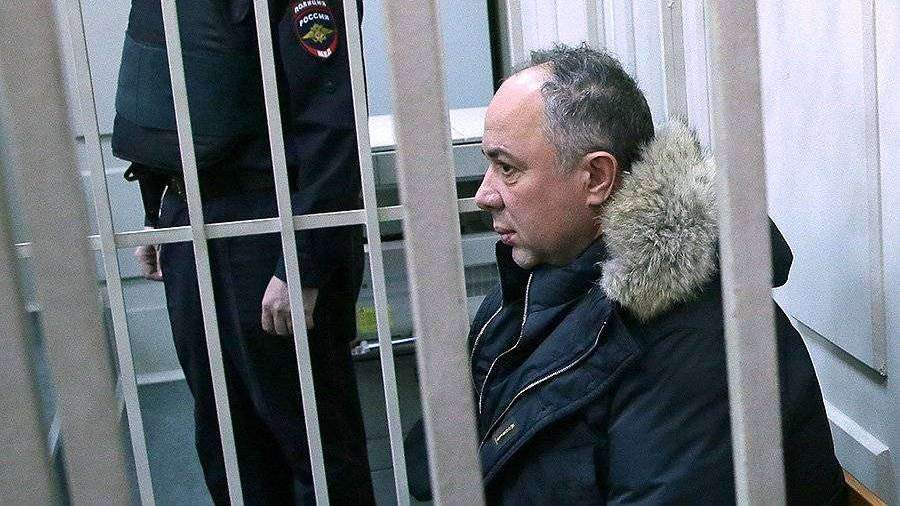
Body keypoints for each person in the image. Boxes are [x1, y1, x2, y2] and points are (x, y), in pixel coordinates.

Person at [407, 44, 846, 504]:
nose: (484, 194)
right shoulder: (542, 275)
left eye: (507, 168)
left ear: (597, 178)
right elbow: (433, 462)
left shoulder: (694, 338)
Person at [112, 0, 375, 503]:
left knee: (314, 444)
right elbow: (164, 85)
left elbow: (331, 122)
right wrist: (155, 211)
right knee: (227, 442)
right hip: (188, 217)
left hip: (271, 225)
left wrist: (301, 263)